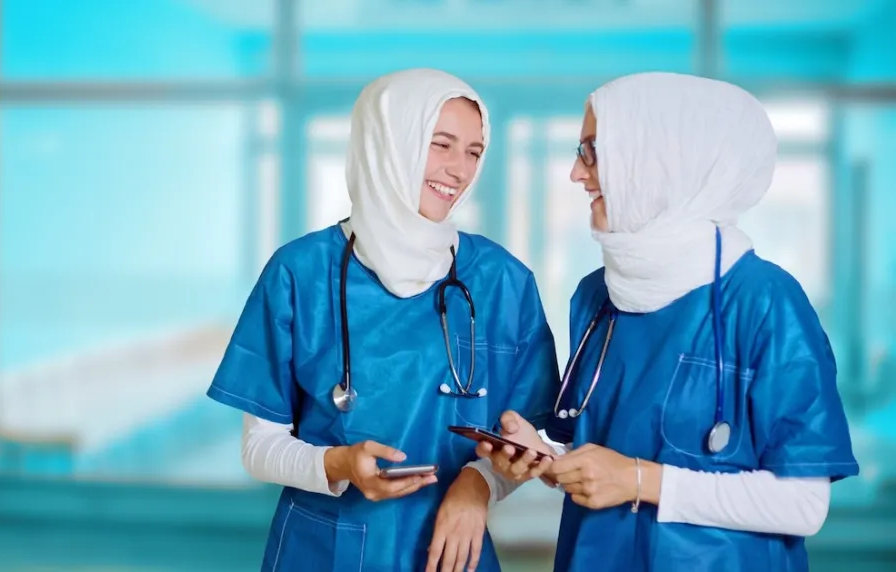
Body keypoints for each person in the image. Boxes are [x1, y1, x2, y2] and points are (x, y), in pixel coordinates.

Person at [476, 72, 860, 572]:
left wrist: (640, 480)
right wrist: (544, 458)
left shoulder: (765, 301)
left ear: (658, 161)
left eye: (593, 151)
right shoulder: (599, 296)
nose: (576, 172)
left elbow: (804, 506)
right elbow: (594, 447)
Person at [205, 68, 559, 572]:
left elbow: (533, 441)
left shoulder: (503, 282)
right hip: (324, 551)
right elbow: (259, 448)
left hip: (452, 551)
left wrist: (479, 483)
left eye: (474, 152)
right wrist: (337, 464)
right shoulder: (300, 273)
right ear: (389, 142)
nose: (459, 170)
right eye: (441, 144)